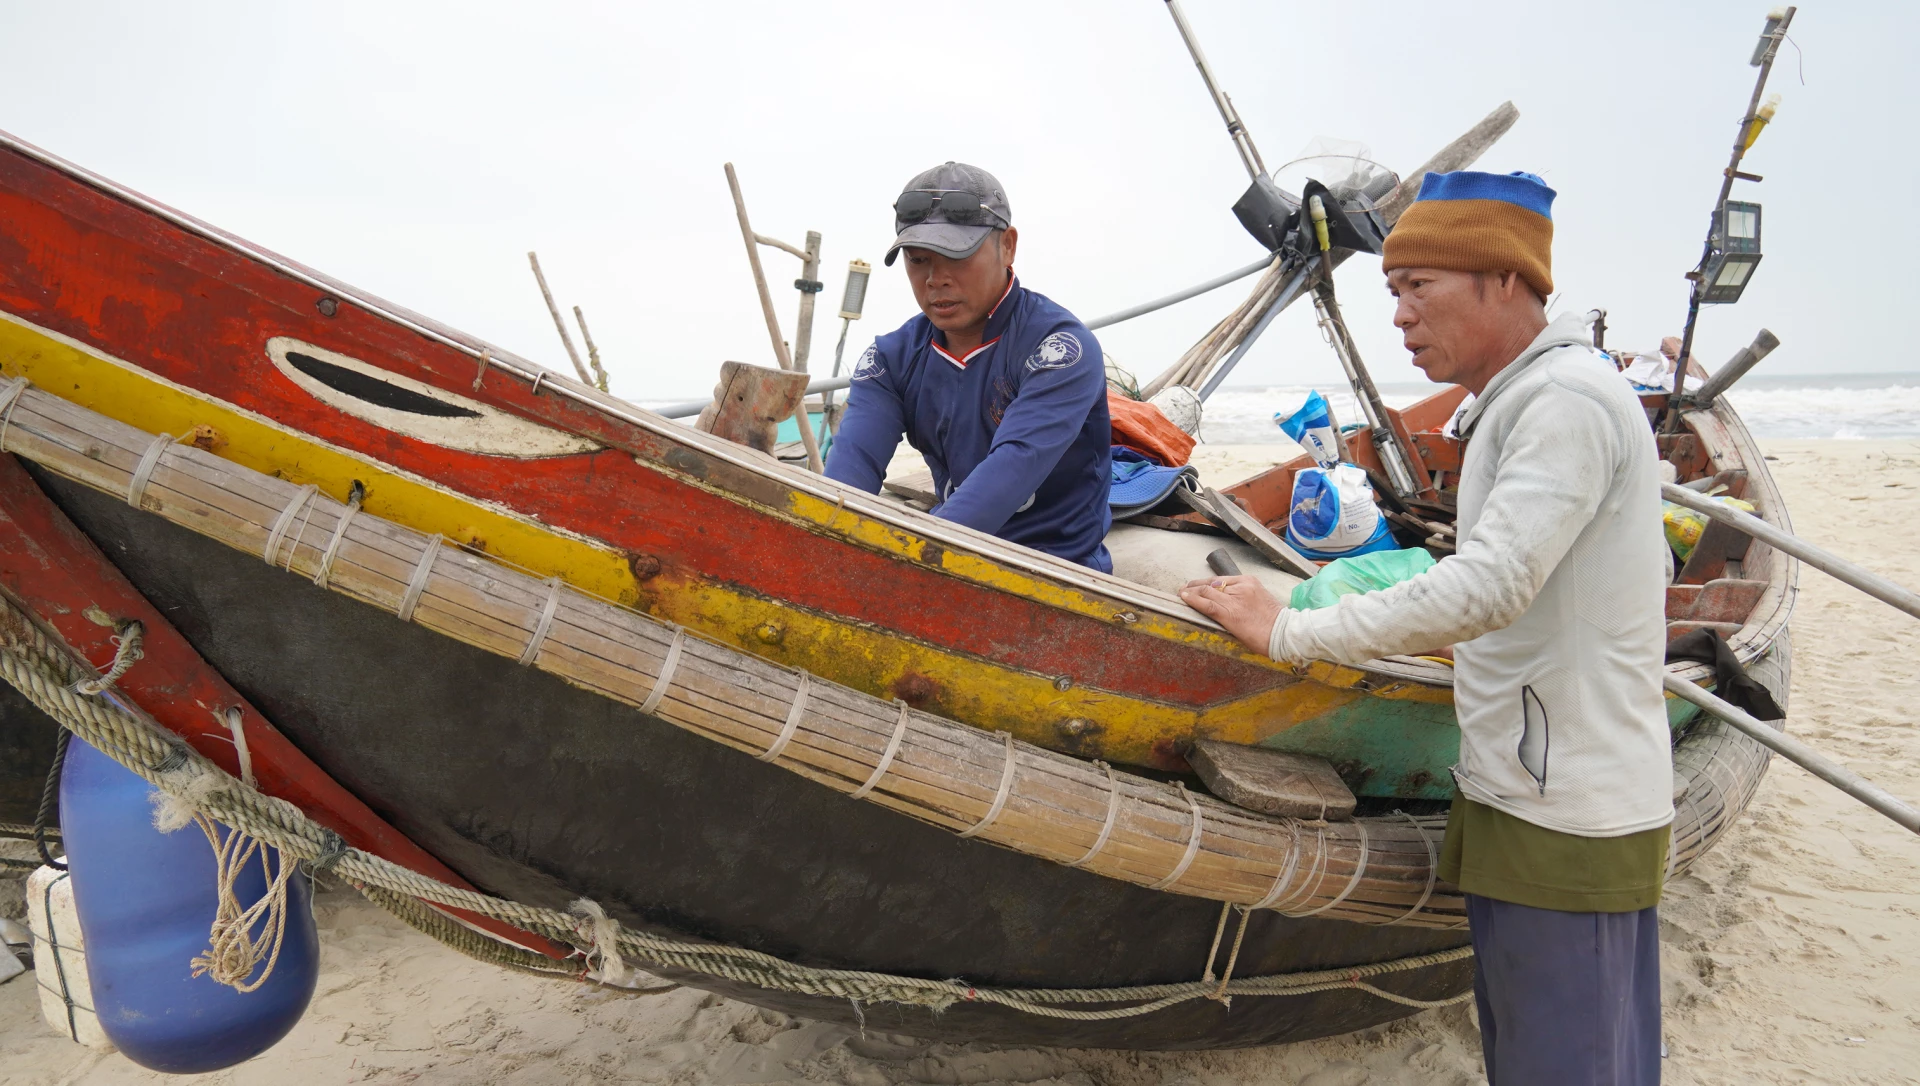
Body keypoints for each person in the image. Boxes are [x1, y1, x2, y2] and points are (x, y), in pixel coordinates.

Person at [1180, 171, 1673, 1086]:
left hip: (1567, 804)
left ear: (1504, 281)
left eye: (1420, 288)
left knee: (1567, 1062)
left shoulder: (1561, 401)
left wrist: (1290, 629)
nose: (1401, 316)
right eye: (1393, 292)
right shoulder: (1523, 398)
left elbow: (1487, 586)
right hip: (1526, 781)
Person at [824, 162, 1113, 572]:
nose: (935, 278)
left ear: (1007, 246)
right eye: (919, 259)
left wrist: (911, 561)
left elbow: (1014, 465)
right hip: (948, 555)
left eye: (956, 257)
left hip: (1055, 566)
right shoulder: (890, 360)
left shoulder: (1059, 350)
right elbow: (848, 476)